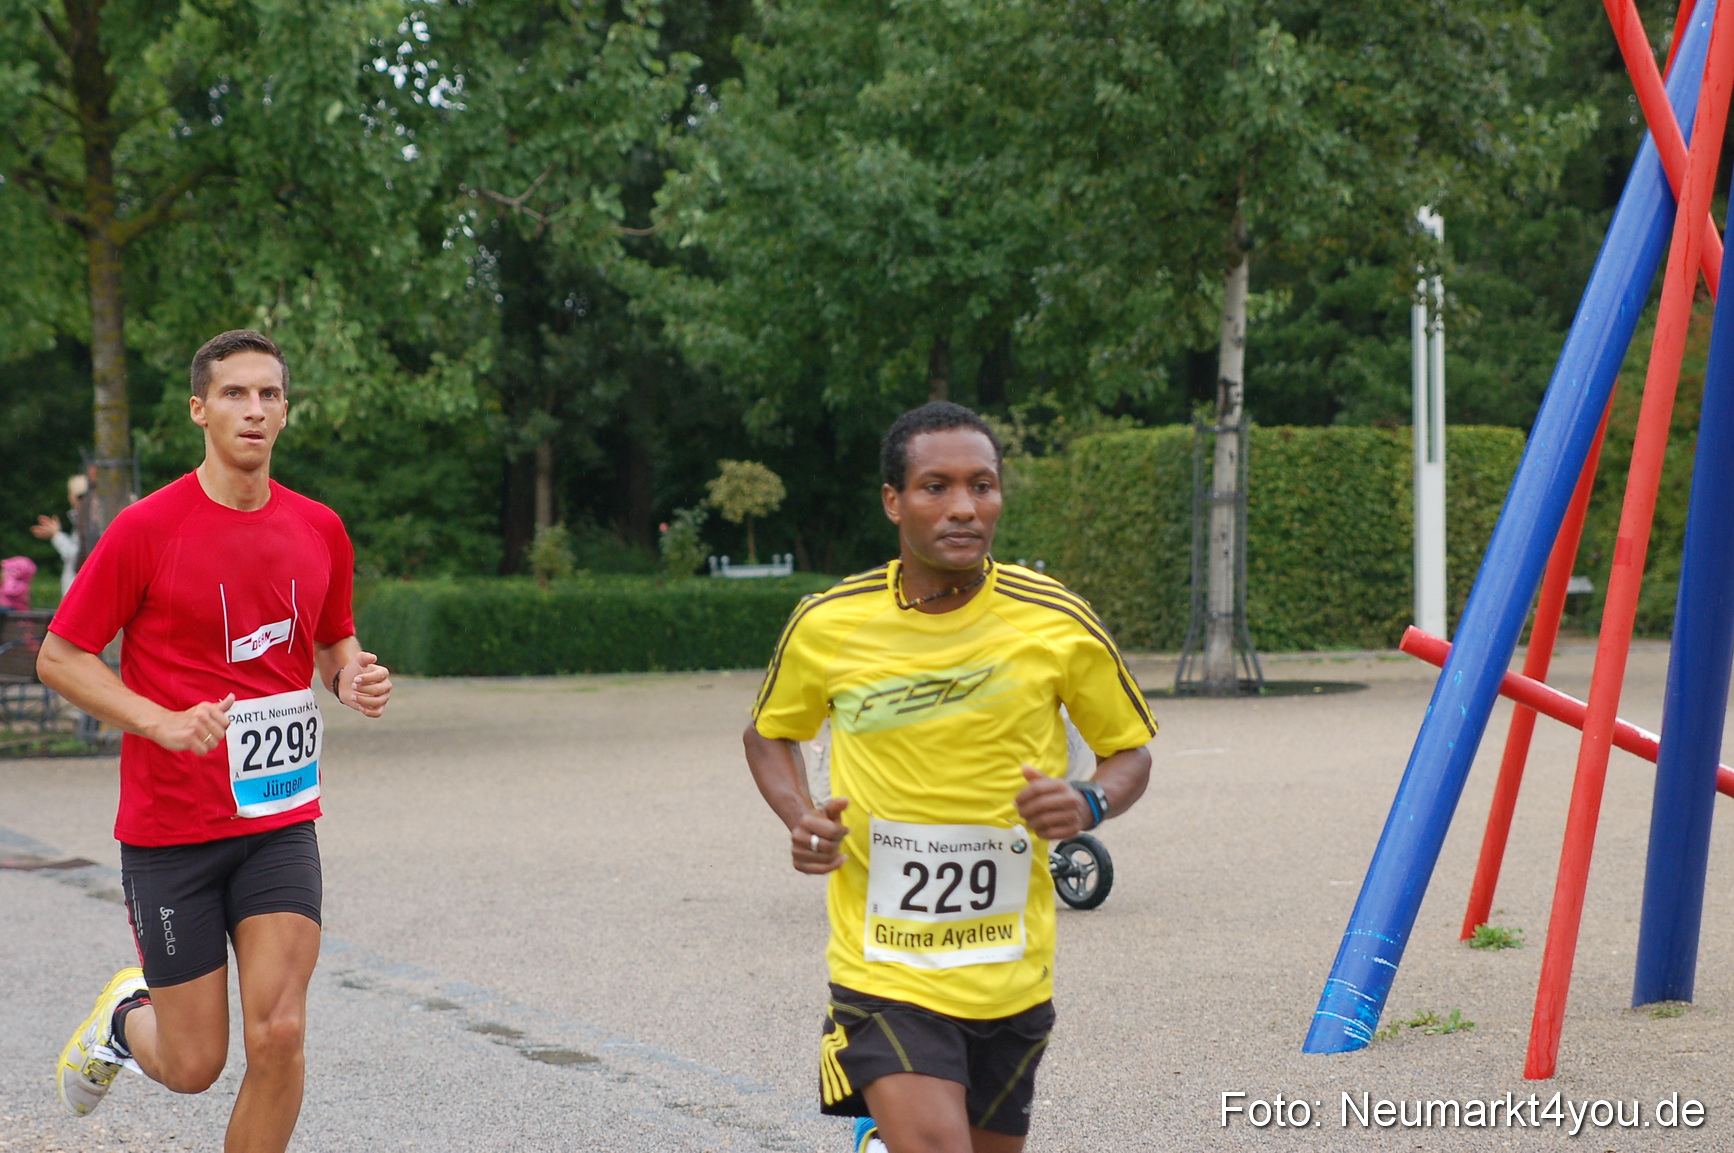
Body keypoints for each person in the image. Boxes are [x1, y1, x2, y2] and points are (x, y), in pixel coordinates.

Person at [743, 401, 1157, 1153]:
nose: (965, 507)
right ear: (893, 501)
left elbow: (1130, 752)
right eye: (936, 486)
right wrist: (798, 815)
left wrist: (1089, 799)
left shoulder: (1056, 619)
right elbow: (771, 732)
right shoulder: (829, 621)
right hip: (885, 963)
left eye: (983, 485)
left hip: (1011, 970)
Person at [38, 329, 393, 1153]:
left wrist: (352, 678)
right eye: (235, 393)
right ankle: (127, 1021)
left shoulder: (320, 529)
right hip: (172, 833)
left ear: (285, 411)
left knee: (280, 1030)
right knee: (196, 1063)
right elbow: (61, 654)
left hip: (277, 822)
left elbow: (335, 639)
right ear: (199, 408)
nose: (254, 409)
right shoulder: (146, 528)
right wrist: (158, 720)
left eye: (270, 394)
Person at [30, 474, 89, 595]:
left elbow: (76, 556)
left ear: (73, 497)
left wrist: (56, 536)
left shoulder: (86, 522)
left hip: (78, 592)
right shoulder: (84, 521)